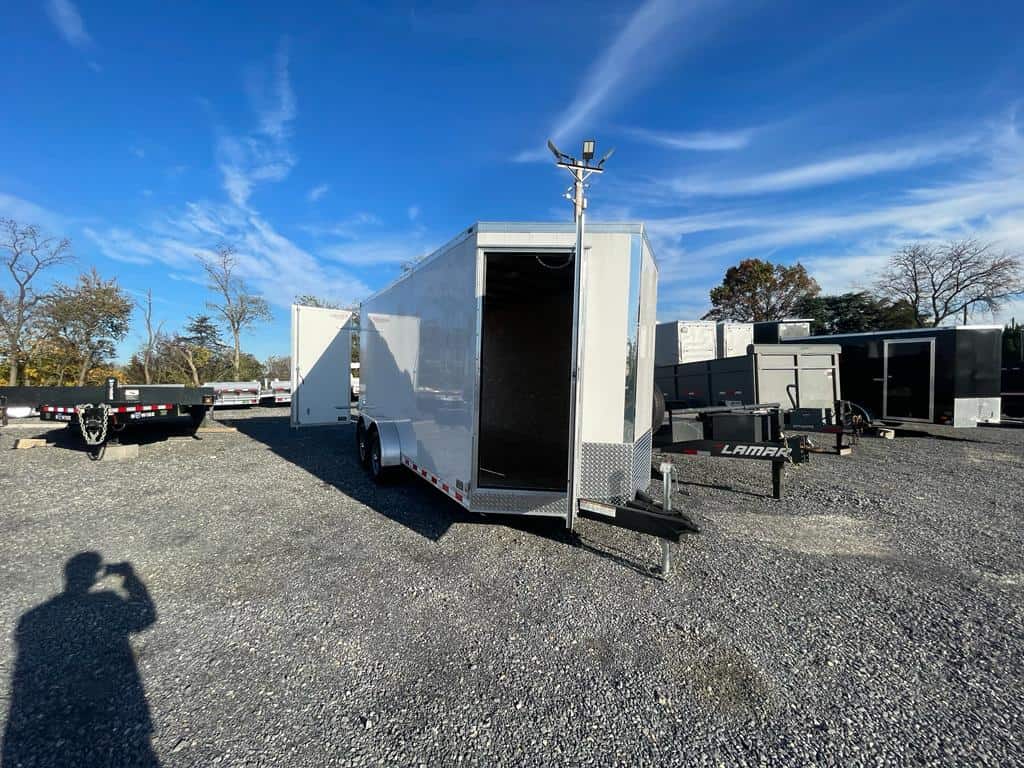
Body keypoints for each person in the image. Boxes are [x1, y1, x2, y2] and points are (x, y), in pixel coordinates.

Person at [2, 552, 159, 767]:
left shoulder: (32, 618)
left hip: (48, 715)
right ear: (94, 577)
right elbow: (145, 617)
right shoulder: (107, 601)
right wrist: (129, 577)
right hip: (114, 700)